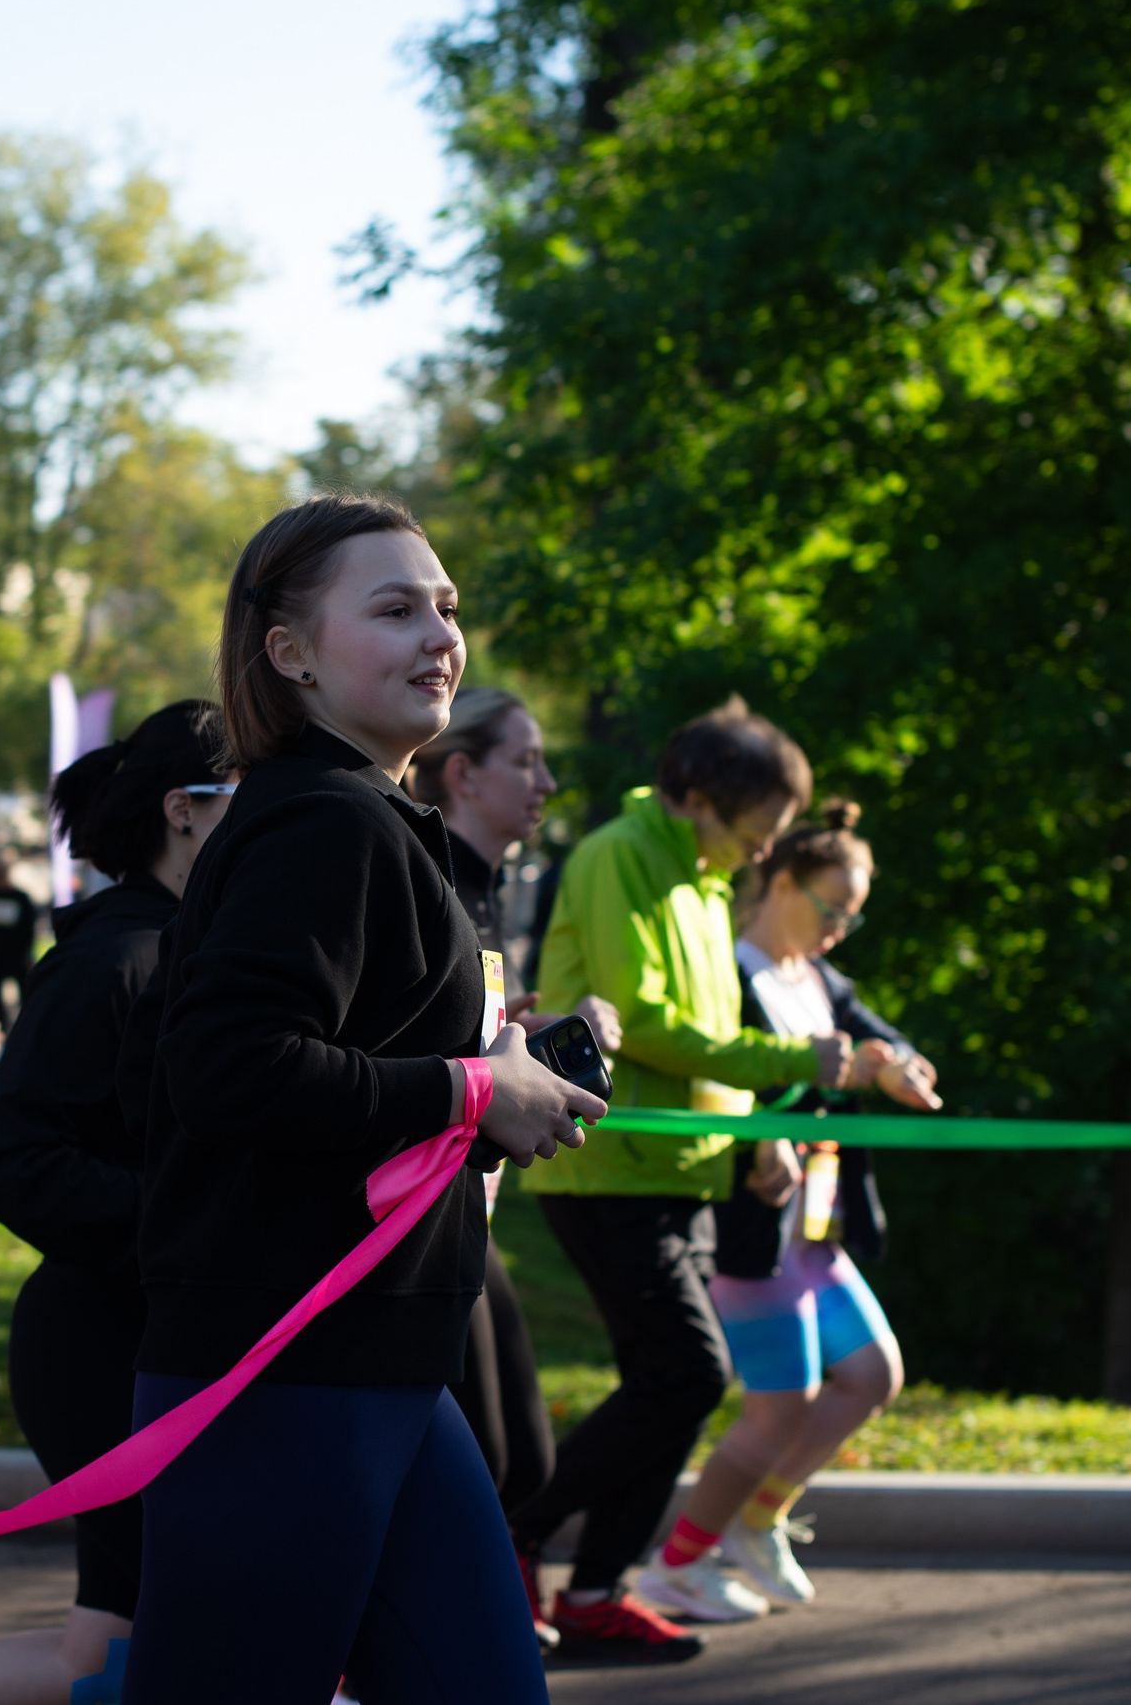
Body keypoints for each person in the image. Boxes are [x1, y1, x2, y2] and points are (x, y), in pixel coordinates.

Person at [124, 495, 604, 1705]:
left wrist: (507, 1079)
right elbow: (229, 1068)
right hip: (279, 1373)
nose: (438, 634)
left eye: (444, 607)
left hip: (378, 1361)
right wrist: (471, 1084)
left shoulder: (371, 813)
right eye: (392, 610)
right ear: (289, 652)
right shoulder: (322, 820)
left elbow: (361, 1066)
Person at [504, 696, 889, 1660]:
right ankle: (513, 1527)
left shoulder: (709, 879)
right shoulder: (616, 857)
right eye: (754, 831)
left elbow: (709, 1044)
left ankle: (596, 1591)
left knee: (672, 1383)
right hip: (607, 1167)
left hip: (693, 1168)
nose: (764, 854)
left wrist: (759, 1132)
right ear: (693, 798)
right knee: (689, 1372)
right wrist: (797, 1065)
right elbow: (656, 1024)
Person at [0, 701, 233, 1705]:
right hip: (101, 1346)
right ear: (185, 810)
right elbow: (10, 1162)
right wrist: (184, 1224)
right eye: (256, 795)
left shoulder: (193, 945)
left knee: (120, 1645)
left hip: (164, 1336)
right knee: (135, 1640)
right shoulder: (111, 959)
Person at [641, 800, 941, 1618]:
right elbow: (714, 1070)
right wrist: (756, 1133)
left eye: (854, 913)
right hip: (754, 1232)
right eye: (831, 907)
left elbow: (883, 1039)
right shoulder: (733, 972)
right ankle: (675, 1563)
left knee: (873, 1373)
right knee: (782, 1406)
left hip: (817, 1228)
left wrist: (896, 1065)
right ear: (779, 881)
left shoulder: (819, 979)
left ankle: (757, 1519)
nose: (841, 927)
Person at [407, 689, 625, 1548]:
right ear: (462, 773)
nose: (549, 780)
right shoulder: (436, 878)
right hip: (414, 1218)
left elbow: (461, 1043)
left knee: (520, 1464)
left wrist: (520, 1040)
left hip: (469, 1208)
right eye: (527, 761)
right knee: (485, 1465)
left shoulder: (484, 887)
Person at [0, 852, 38, 1027]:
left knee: (25, 996)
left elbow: (30, 928)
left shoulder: (21, 898)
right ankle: (2, 1028)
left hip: (18, 956)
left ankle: (27, 1026)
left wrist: (29, 953)